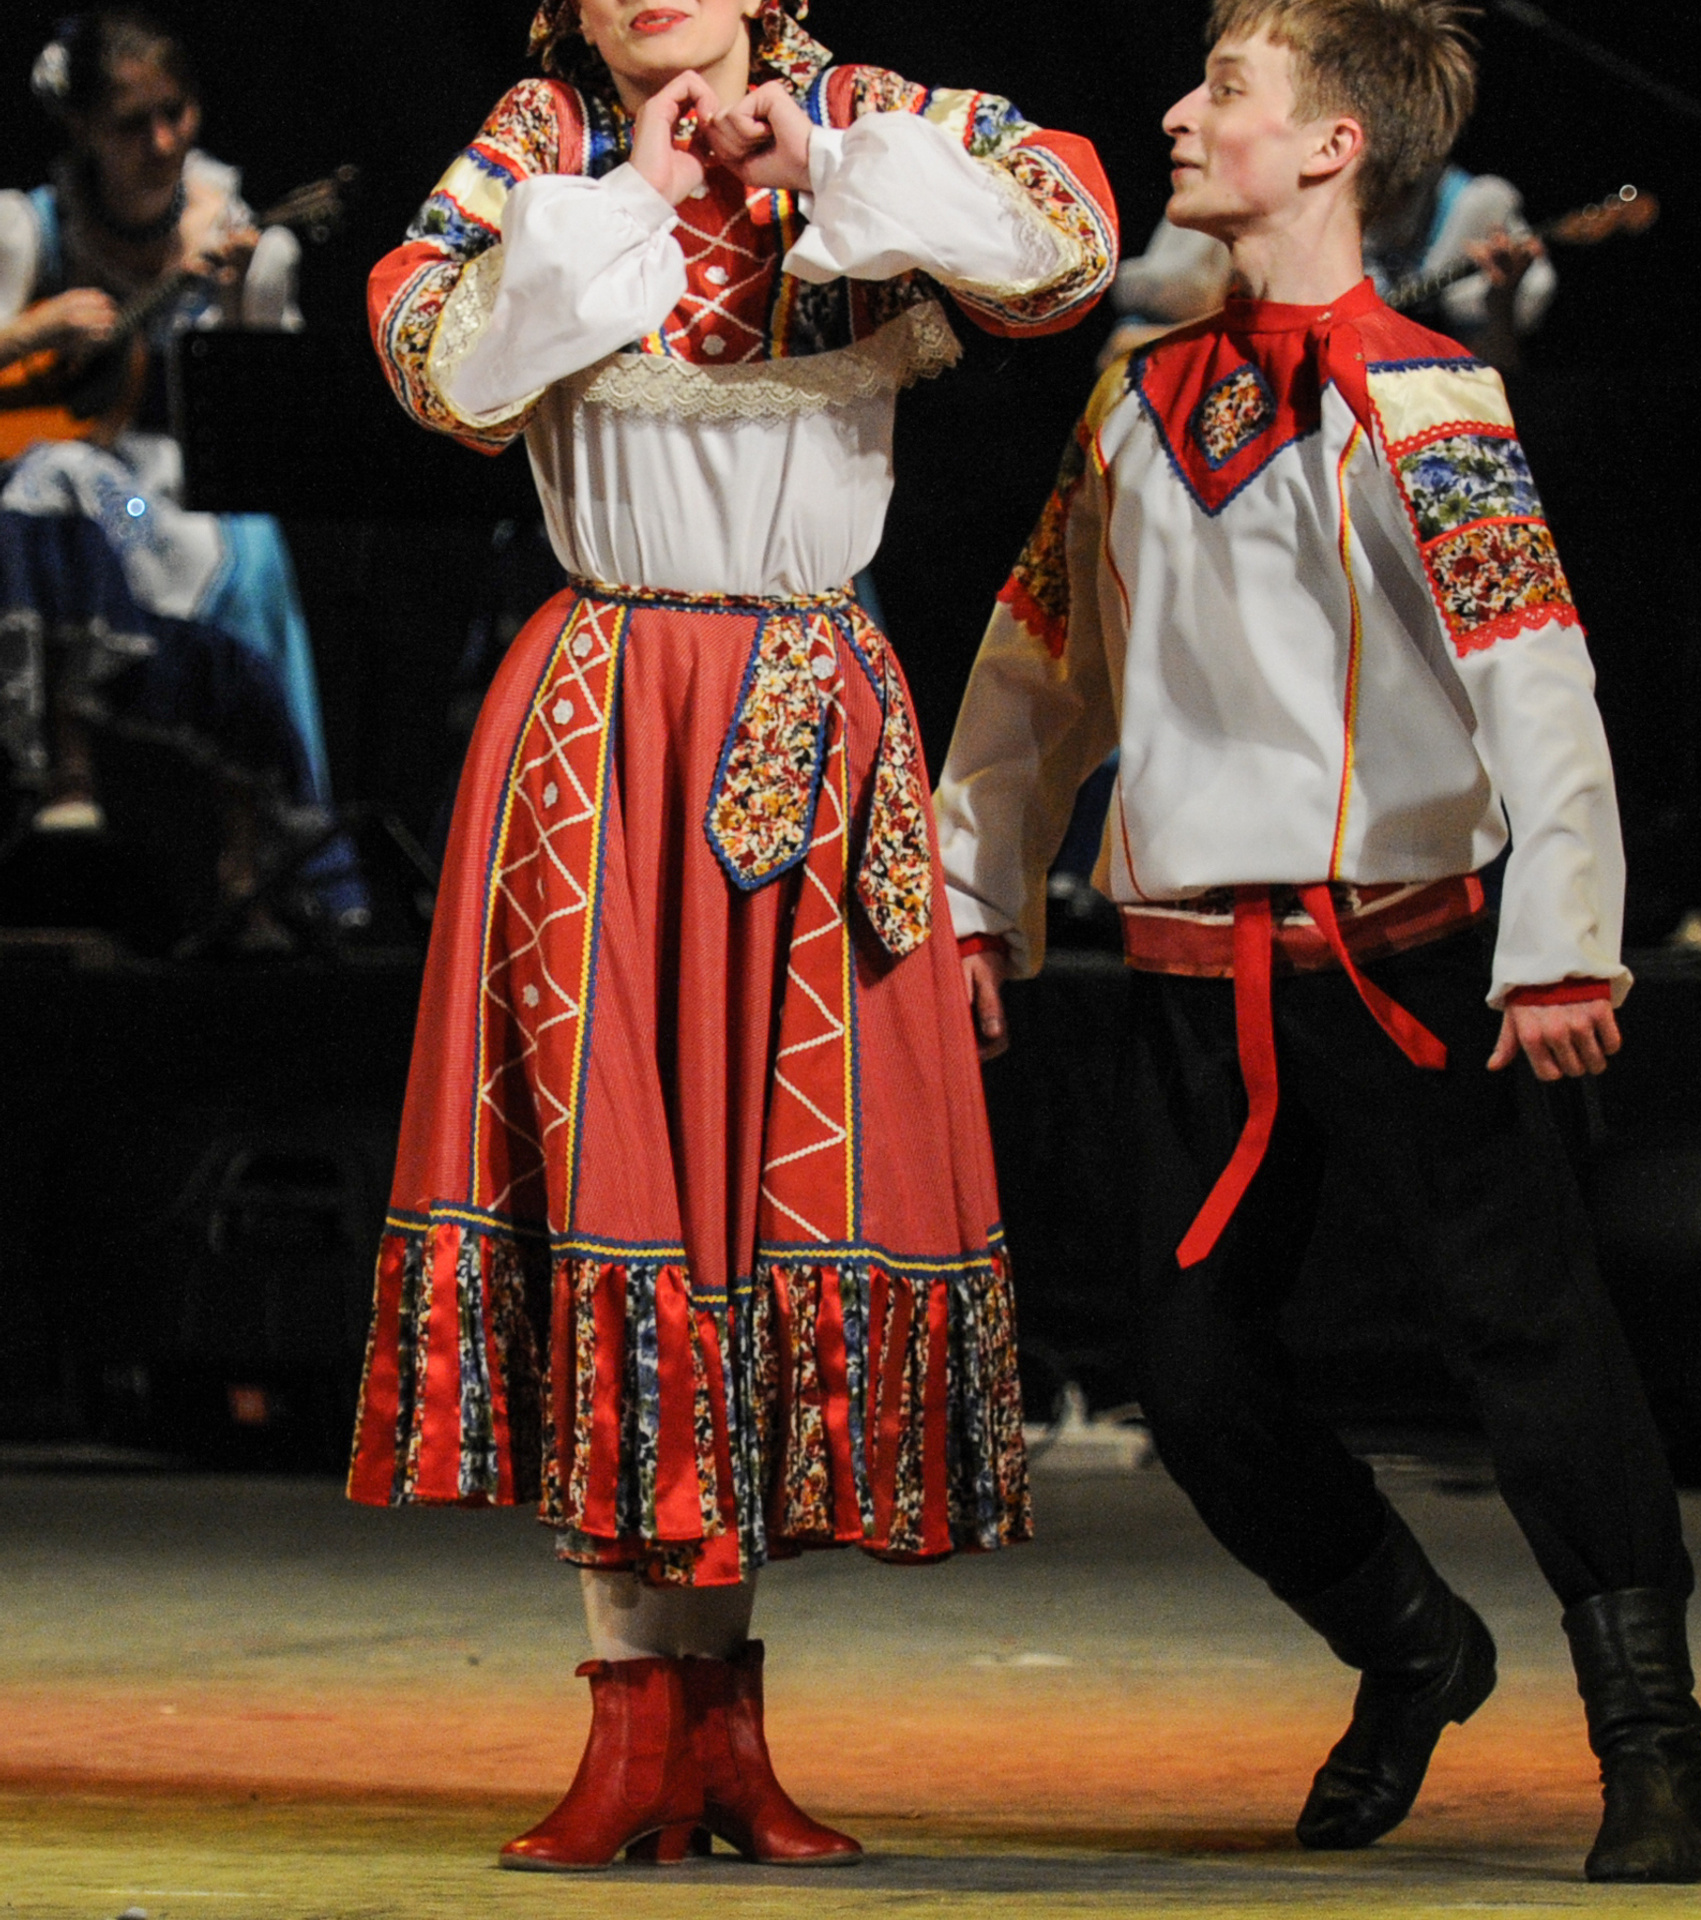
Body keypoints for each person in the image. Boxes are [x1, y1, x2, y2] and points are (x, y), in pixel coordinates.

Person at [936, 0, 1701, 1886]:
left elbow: (1537, 676)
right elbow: (1040, 665)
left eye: (1224, 88)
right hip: (1199, 973)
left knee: (1530, 1346)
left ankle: (1650, 1731)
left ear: (1332, 148)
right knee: (1197, 1385)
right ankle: (1410, 1646)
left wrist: (1561, 943)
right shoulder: (1135, 399)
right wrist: (981, 889)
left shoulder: (1425, 396)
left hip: (1404, 958)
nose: (1177, 112)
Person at [345, 0, 1115, 1872]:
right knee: (624, 1189)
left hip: (808, 705)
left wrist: (825, 165)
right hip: (611, 709)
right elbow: (434, 358)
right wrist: (630, 202)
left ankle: (724, 1728)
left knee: (767, 1207)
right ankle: (634, 1720)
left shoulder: (861, 106)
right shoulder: (542, 139)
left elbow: (1063, 244)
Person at [0, 8, 363, 927]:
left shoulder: (226, 219)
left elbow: (263, 414)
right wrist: (36, 330)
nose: (162, 142)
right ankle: (64, 777)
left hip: (178, 491)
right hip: (90, 488)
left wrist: (241, 289)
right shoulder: (30, 227)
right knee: (52, 483)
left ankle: (258, 856)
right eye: (132, 124)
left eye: (177, 113)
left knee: (242, 549)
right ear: (82, 128)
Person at [1104, 166, 1550, 372]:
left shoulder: (1468, 208)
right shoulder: (1256, 186)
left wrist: (1502, 302)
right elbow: (1121, 351)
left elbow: (1492, 378)